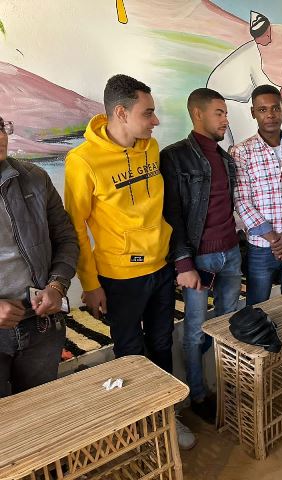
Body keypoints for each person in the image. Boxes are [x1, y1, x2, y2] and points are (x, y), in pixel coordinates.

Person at [64, 74, 195, 449]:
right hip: (120, 277)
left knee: (162, 342)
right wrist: (90, 284)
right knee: (130, 351)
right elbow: (75, 228)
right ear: (121, 113)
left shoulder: (150, 148)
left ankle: (166, 414)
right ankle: (142, 423)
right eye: (148, 113)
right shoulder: (83, 161)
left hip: (161, 268)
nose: (156, 121)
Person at [160, 88, 242, 424]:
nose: (225, 120)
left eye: (226, 113)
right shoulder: (174, 157)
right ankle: (198, 394)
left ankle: (229, 386)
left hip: (231, 254)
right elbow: (172, 214)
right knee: (195, 330)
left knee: (228, 325)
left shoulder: (226, 158)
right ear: (198, 114)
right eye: (219, 113)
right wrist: (183, 262)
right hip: (199, 260)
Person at [0, 116, 78, 397]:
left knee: (41, 411)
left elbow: (66, 238)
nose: (1, 137)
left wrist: (57, 285)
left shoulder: (35, 178)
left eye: (0, 127)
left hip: (42, 325)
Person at [230, 85, 282, 306]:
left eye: (275, 108)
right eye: (262, 110)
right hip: (261, 248)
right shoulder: (241, 152)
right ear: (253, 113)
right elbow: (242, 201)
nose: (270, 114)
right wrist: (277, 241)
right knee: (257, 309)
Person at [207, 10, 282, 148]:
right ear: (263, 32)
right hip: (228, 101)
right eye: (268, 32)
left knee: (228, 144)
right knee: (241, 142)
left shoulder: (250, 50)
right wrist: (280, 91)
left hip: (223, 101)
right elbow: (260, 82)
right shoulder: (251, 53)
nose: (270, 35)